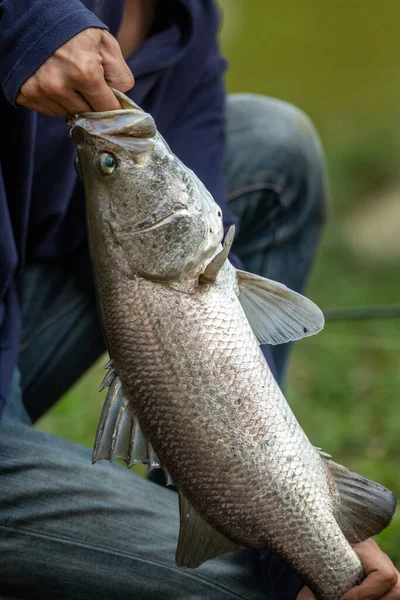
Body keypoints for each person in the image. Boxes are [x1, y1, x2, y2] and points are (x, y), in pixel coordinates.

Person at [0, 1, 398, 598]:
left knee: (273, 144)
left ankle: (228, 495)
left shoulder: (185, 21)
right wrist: (23, 22)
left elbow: (214, 328)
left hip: (16, 320)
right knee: (237, 589)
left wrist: (303, 515)